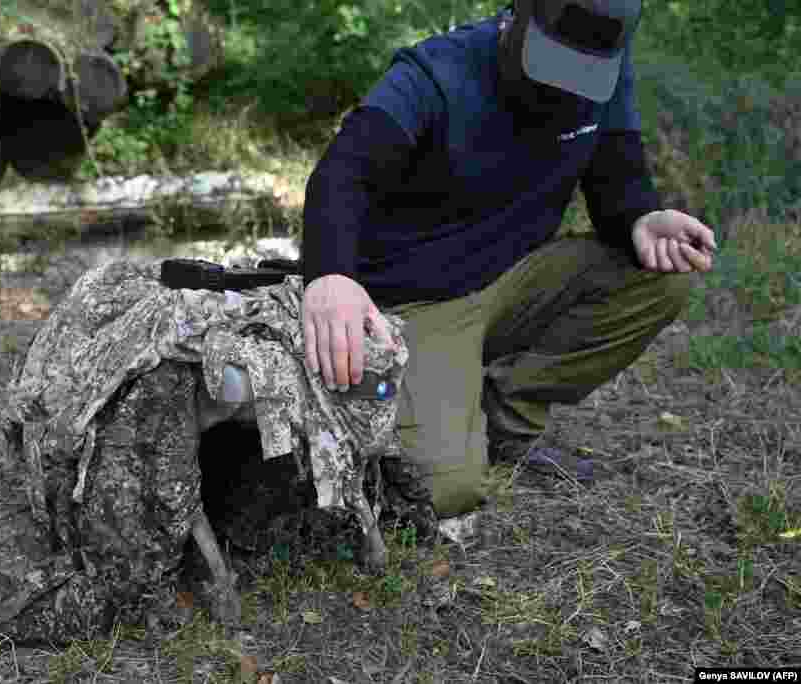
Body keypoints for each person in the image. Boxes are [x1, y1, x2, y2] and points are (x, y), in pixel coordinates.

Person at [300, 0, 718, 520]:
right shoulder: (434, 73)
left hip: (516, 277)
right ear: (516, 15)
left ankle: (503, 422)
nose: (564, 88)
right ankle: (441, 417)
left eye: (580, 73)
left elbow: (617, 175)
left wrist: (638, 218)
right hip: (419, 301)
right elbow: (342, 174)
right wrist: (331, 274)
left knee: (662, 278)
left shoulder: (604, 67)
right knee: (441, 492)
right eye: (552, 65)